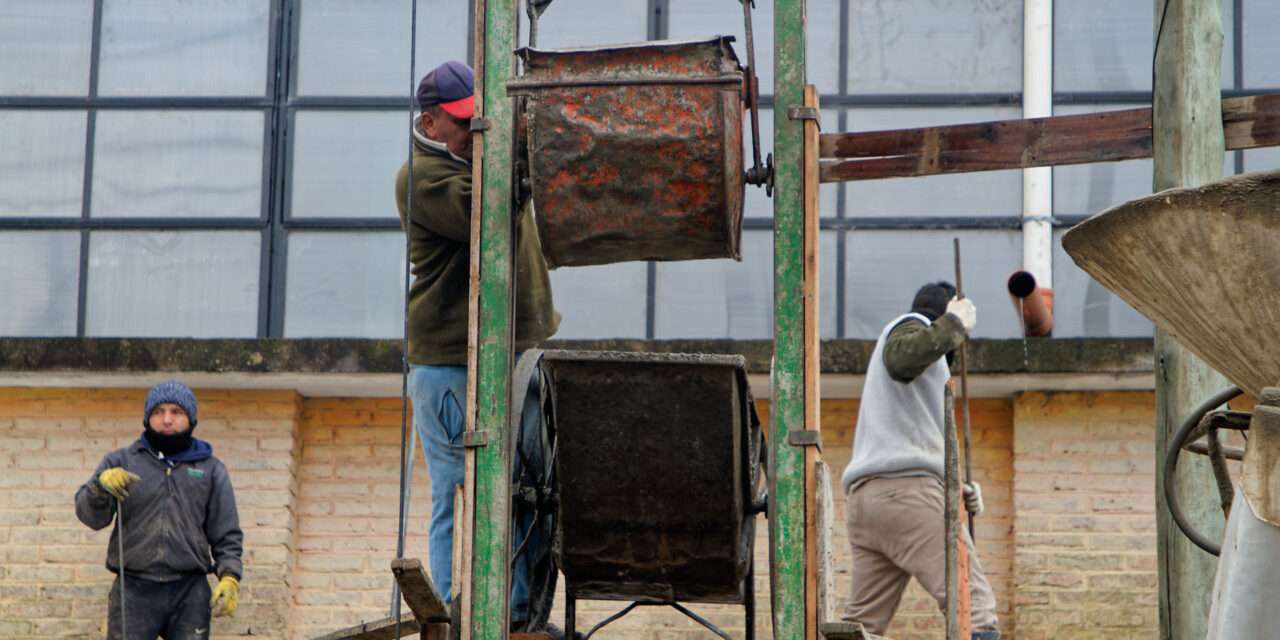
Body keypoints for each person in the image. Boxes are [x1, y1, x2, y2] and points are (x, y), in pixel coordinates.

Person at [395, 60, 560, 631]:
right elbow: (485, 211)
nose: (474, 131)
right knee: (460, 487)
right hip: (449, 362)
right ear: (431, 122)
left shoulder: (479, 159)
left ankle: (520, 613)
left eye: (478, 118)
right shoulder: (421, 177)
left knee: (532, 490)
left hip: (519, 353)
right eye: (462, 122)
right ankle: (455, 606)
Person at [840, 282, 1000, 640]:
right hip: (907, 494)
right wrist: (953, 324)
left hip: (868, 504)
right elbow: (903, 357)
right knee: (974, 609)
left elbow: (913, 434)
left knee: (861, 624)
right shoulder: (909, 326)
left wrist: (957, 489)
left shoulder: (913, 382)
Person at [75, 381, 243, 640]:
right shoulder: (121, 462)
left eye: (176, 412)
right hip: (133, 589)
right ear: (147, 418)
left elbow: (227, 533)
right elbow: (91, 518)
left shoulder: (211, 469)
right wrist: (99, 487)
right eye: (158, 412)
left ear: (191, 418)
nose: (167, 419)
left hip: (190, 590)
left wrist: (230, 576)